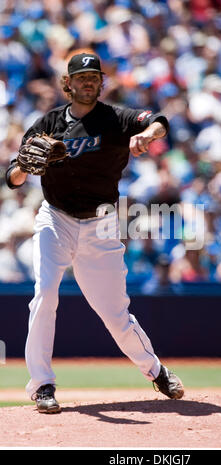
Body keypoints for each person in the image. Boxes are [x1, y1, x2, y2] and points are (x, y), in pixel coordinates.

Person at [5, 52, 184, 413]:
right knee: (44, 295)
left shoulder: (117, 119)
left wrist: (147, 134)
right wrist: (23, 166)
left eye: (94, 76)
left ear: (101, 82)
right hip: (55, 218)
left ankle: (155, 370)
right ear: (67, 83)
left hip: (101, 224)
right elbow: (11, 177)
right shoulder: (48, 123)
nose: (88, 82)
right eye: (81, 77)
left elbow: (160, 120)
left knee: (115, 314)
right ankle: (42, 385)